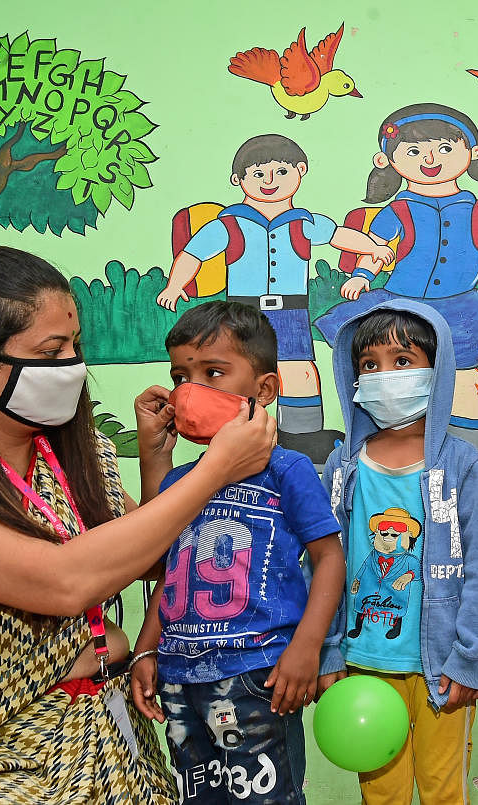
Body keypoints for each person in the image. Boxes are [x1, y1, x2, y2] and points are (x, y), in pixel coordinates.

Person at [0, 247, 277, 804]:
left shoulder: (72, 453)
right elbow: (63, 583)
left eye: (75, 346)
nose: (73, 364)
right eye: (52, 350)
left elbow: (148, 559)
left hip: (106, 744)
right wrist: (218, 469)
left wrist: (157, 465)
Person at [128, 301, 345, 804]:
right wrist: (146, 647)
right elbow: (164, 566)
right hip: (180, 676)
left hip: (258, 673)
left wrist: (306, 647)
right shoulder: (183, 481)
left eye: (214, 372)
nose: (191, 388)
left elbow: (329, 559)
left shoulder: (288, 470)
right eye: (181, 375)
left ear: (264, 390)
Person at [319, 300, 478, 803]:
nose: (385, 376)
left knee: (443, 789)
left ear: (438, 368)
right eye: (369, 365)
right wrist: (329, 650)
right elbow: (324, 567)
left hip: (441, 664)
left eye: (403, 361)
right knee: (381, 793)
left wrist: (470, 657)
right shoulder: (343, 466)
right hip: (363, 661)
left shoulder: (461, 464)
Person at [156, 134, 394, 463]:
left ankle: (303, 439)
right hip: (242, 314)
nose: (270, 181)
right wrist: (174, 285)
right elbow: (192, 253)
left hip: (291, 311)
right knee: (239, 374)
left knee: (300, 373)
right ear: (238, 180)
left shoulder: (304, 223)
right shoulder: (230, 224)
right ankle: (235, 438)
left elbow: (340, 235)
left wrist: (372, 247)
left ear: (300, 171)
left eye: (281, 172)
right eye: (258, 174)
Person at [314, 103, 478, 450]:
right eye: (414, 151)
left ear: (473, 153)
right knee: (398, 380)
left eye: (444, 149)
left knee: (469, 380)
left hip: (462, 309)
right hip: (404, 306)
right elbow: (377, 248)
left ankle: (474, 451)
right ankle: (397, 451)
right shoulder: (396, 210)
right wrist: (363, 274)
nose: (430, 160)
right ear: (388, 160)